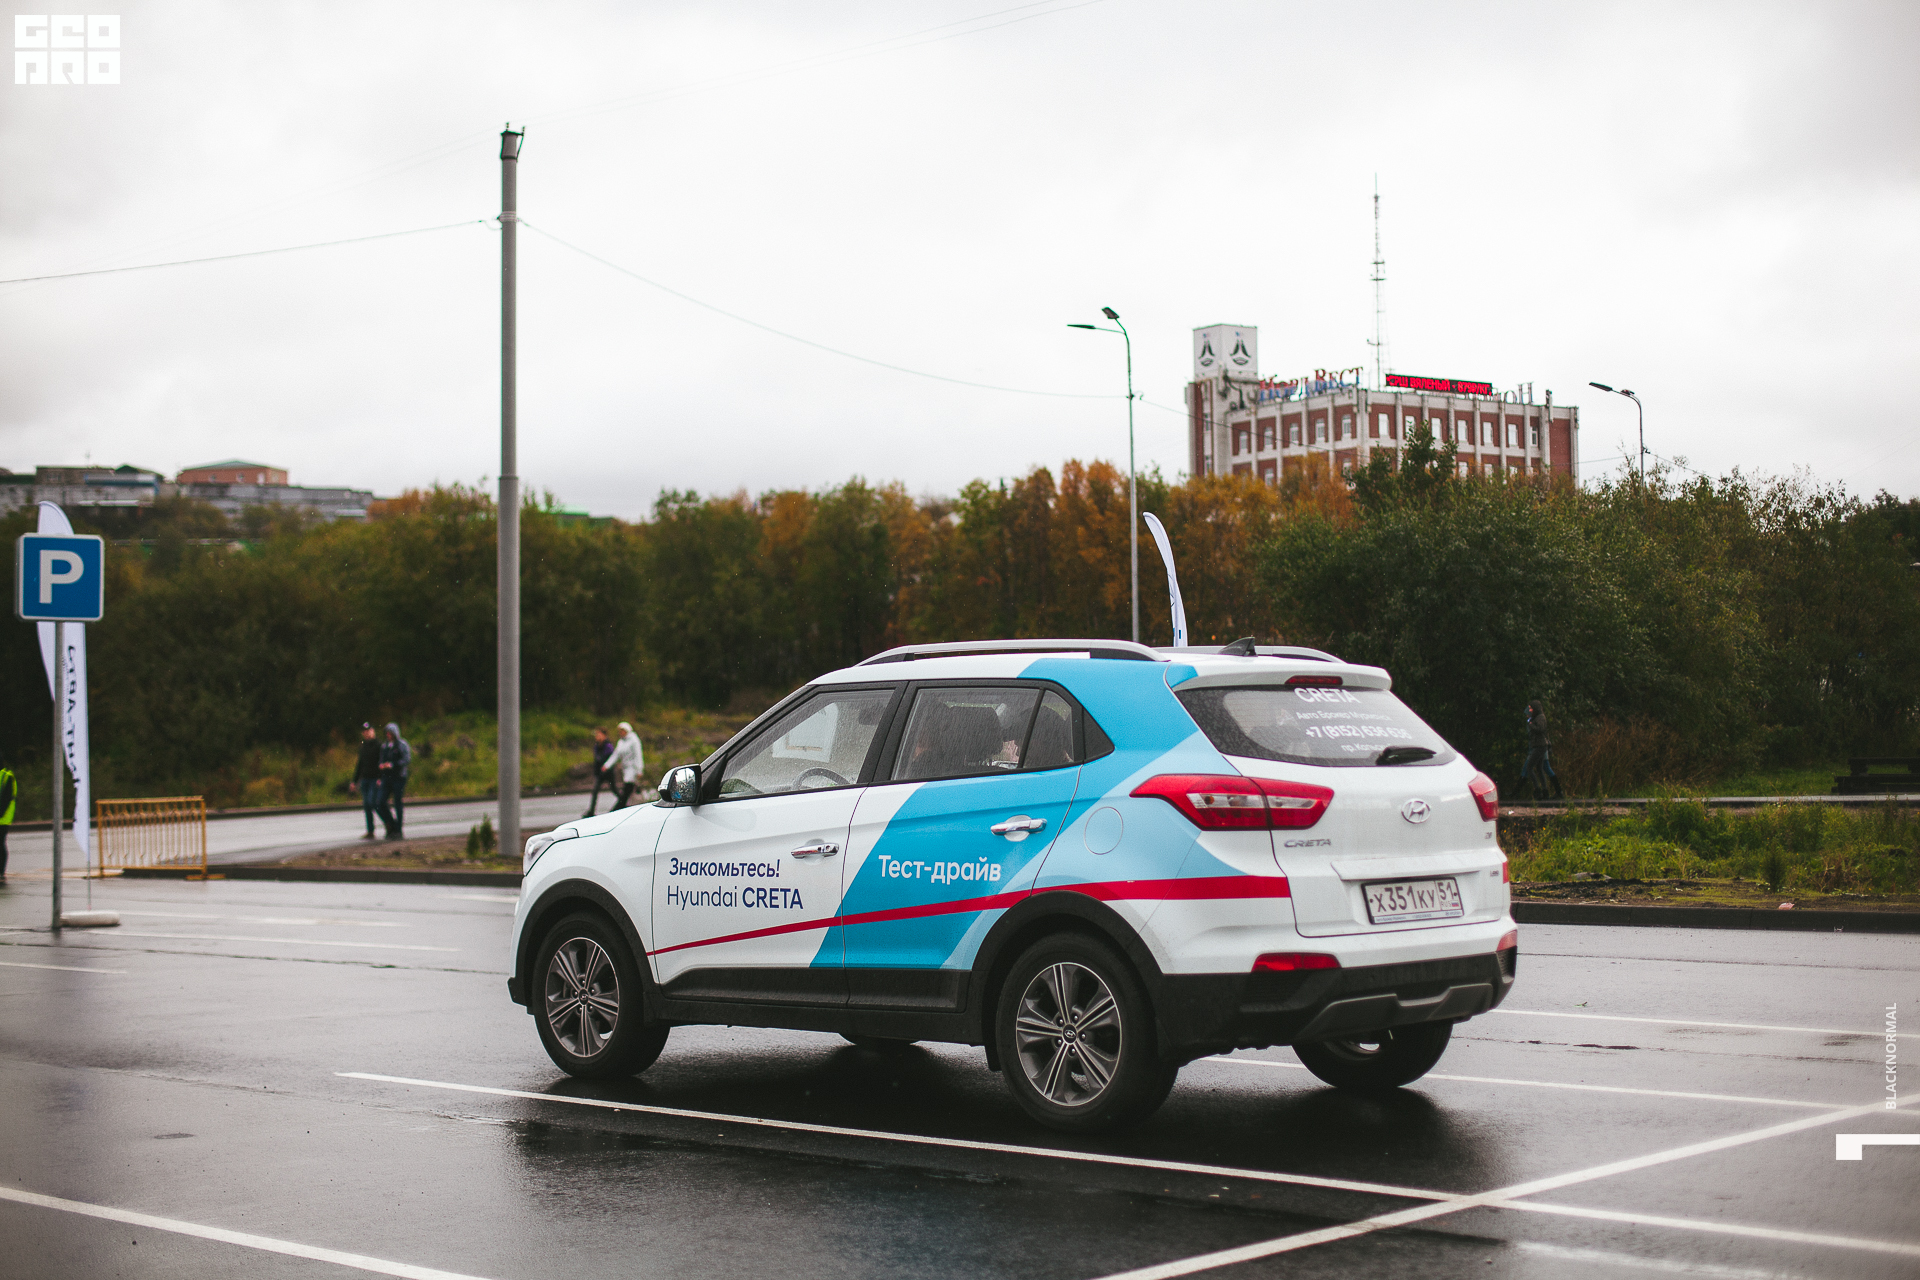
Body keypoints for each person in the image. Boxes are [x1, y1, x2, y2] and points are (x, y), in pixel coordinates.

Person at [375, 721, 412, 838]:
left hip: (399, 777)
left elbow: (406, 759)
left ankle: (398, 829)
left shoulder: (402, 744)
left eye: (390, 733)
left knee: (397, 802)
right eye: (387, 733)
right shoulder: (385, 746)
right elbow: (381, 760)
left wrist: (393, 765)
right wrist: (381, 768)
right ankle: (390, 823)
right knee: (380, 802)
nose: (388, 735)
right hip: (386, 777)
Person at [1522, 700, 1564, 800]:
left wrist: (1531, 724)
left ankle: (1539, 790)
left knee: (1530, 767)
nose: (1530, 710)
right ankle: (1546, 791)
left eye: (1531, 708)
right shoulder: (1537, 717)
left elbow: (1540, 729)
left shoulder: (1540, 718)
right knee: (1540, 768)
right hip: (1539, 745)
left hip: (1540, 746)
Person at [348, 722, 383, 839]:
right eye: (365, 731)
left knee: (372, 802)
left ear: (373, 731)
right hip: (365, 779)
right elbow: (360, 765)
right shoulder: (363, 747)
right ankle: (370, 830)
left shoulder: (379, 745)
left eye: (369, 731)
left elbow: (381, 762)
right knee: (367, 805)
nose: (367, 733)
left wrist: (380, 777)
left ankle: (388, 823)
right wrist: (354, 781)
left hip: (375, 779)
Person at [603, 721, 644, 810]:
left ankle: (618, 808)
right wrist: (607, 765)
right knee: (627, 789)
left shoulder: (634, 740)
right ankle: (623, 806)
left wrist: (639, 770)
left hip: (633, 768)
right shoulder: (621, 742)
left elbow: (638, 755)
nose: (620, 733)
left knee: (627, 788)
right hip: (625, 769)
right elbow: (616, 755)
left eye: (622, 731)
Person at [582, 727, 616, 817]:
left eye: (599, 734)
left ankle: (623, 803)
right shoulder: (597, 746)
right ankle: (591, 811)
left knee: (614, 790)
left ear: (604, 735)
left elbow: (609, 758)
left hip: (608, 772)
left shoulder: (608, 746)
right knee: (595, 791)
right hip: (600, 773)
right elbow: (596, 760)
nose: (597, 737)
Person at [0, 760, 15, 879]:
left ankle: (1, 870)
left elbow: (6, 798)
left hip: (3, 818)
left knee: (0, 843)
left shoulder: (7, 776)